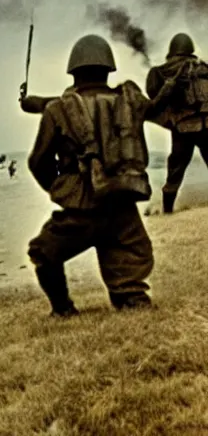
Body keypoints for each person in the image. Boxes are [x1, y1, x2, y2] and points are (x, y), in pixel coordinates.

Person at [25, 34, 163, 317]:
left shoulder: (57, 110)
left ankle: (63, 310)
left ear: (73, 71)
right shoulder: (128, 102)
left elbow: (38, 162)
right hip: (123, 200)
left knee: (44, 252)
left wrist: (62, 187)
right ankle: (133, 300)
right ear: (108, 68)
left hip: (81, 207)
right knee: (128, 273)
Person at [145, 33, 208, 213]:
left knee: (175, 171)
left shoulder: (165, 70)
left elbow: (153, 94)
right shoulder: (203, 68)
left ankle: (167, 210)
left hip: (183, 127)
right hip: (207, 126)